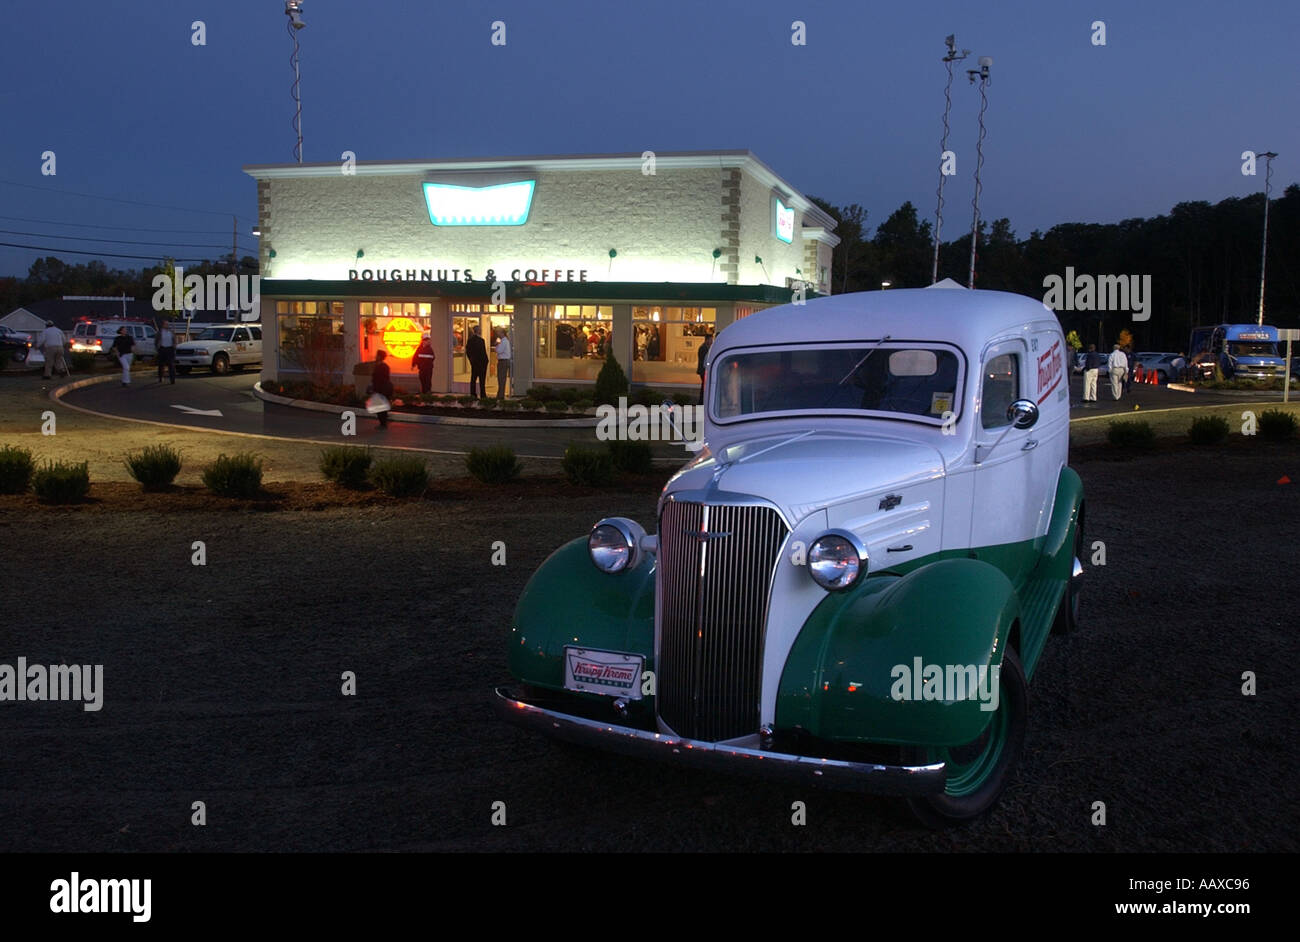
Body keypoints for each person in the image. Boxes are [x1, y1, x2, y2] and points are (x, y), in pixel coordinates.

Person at [370, 349, 394, 428]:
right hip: (379, 389)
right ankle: (382, 423)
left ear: (380, 357)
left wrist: (377, 390)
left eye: (377, 355)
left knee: (381, 408)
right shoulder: (379, 366)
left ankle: (383, 423)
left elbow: (381, 379)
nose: (375, 357)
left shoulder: (383, 366)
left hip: (382, 390)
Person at [466, 325, 488, 399]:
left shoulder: (470, 340)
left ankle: (473, 394)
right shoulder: (481, 341)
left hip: (474, 363)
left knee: (473, 379)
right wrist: (486, 361)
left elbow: (468, 351)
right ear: (478, 331)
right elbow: (483, 352)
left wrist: (471, 360)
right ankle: (483, 395)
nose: (481, 330)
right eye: (480, 329)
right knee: (482, 380)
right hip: (481, 363)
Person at [697, 329, 714, 404]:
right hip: (703, 370)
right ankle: (701, 402)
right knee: (704, 386)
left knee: (704, 386)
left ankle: (702, 401)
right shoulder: (703, 348)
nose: (712, 341)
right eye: (711, 340)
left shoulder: (707, 348)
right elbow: (704, 360)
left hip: (704, 370)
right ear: (707, 340)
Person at [494, 329, 512, 400]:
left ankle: (500, 395)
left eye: (499, 332)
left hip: (503, 361)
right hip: (504, 361)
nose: (498, 334)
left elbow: (499, 351)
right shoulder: (504, 341)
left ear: (502, 333)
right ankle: (500, 394)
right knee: (501, 378)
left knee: (501, 378)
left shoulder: (504, 341)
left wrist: (496, 345)